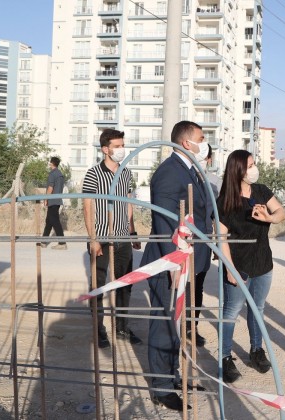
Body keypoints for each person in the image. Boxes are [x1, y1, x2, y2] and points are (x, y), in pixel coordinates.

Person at [141, 121, 213, 411]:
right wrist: (173, 263)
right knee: (163, 323)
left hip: (188, 259)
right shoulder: (169, 172)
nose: (205, 143)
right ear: (186, 142)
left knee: (177, 323)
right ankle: (161, 387)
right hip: (170, 261)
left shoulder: (190, 170)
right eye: (201, 138)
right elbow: (165, 221)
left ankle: (173, 376)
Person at [217, 150, 285, 383]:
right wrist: (230, 269)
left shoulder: (261, 191)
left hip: (263, 263)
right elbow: (221, 238)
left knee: (258, 309)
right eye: (250, 165)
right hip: (238, 265)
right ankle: (225, 358)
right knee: (231, 311)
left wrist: (268, 218)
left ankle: (256, 351)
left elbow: (281, 212)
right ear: (238, 170)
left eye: (254, 163)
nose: (254, 169)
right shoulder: (225, 200)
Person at [82, 129, 142, 348]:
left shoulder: (126, 173)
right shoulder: (93, 174)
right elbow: (87, 206)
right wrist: (93, 238)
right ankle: (99, 330)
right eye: (117, 146)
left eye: (122, 145)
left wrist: (132, 231)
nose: (121, 149)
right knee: (98, 286)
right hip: (102, 238)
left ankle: (122, 328)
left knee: (125, 284)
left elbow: (128, 203)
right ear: (105, 149)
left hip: (123, 238)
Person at [184, 143, 222, 348]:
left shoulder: (215, 183)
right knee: (181, 285)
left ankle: (192, 327)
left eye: (205, 156)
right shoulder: (183, 176)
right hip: (182, 241)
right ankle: (179, 326)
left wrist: (216, 243)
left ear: (210, 160)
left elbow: (216, 217)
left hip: (204, 241)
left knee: (197, 285)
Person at [42, 156, 67, 250]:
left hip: (52, 200)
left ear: (51, 163)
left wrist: (46, 199)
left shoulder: (52, 174)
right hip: (57, 200)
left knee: (55, 221)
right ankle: (44, 241)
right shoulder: (60, 174)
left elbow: (50, 188)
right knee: (49, 221)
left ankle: (62, 243)